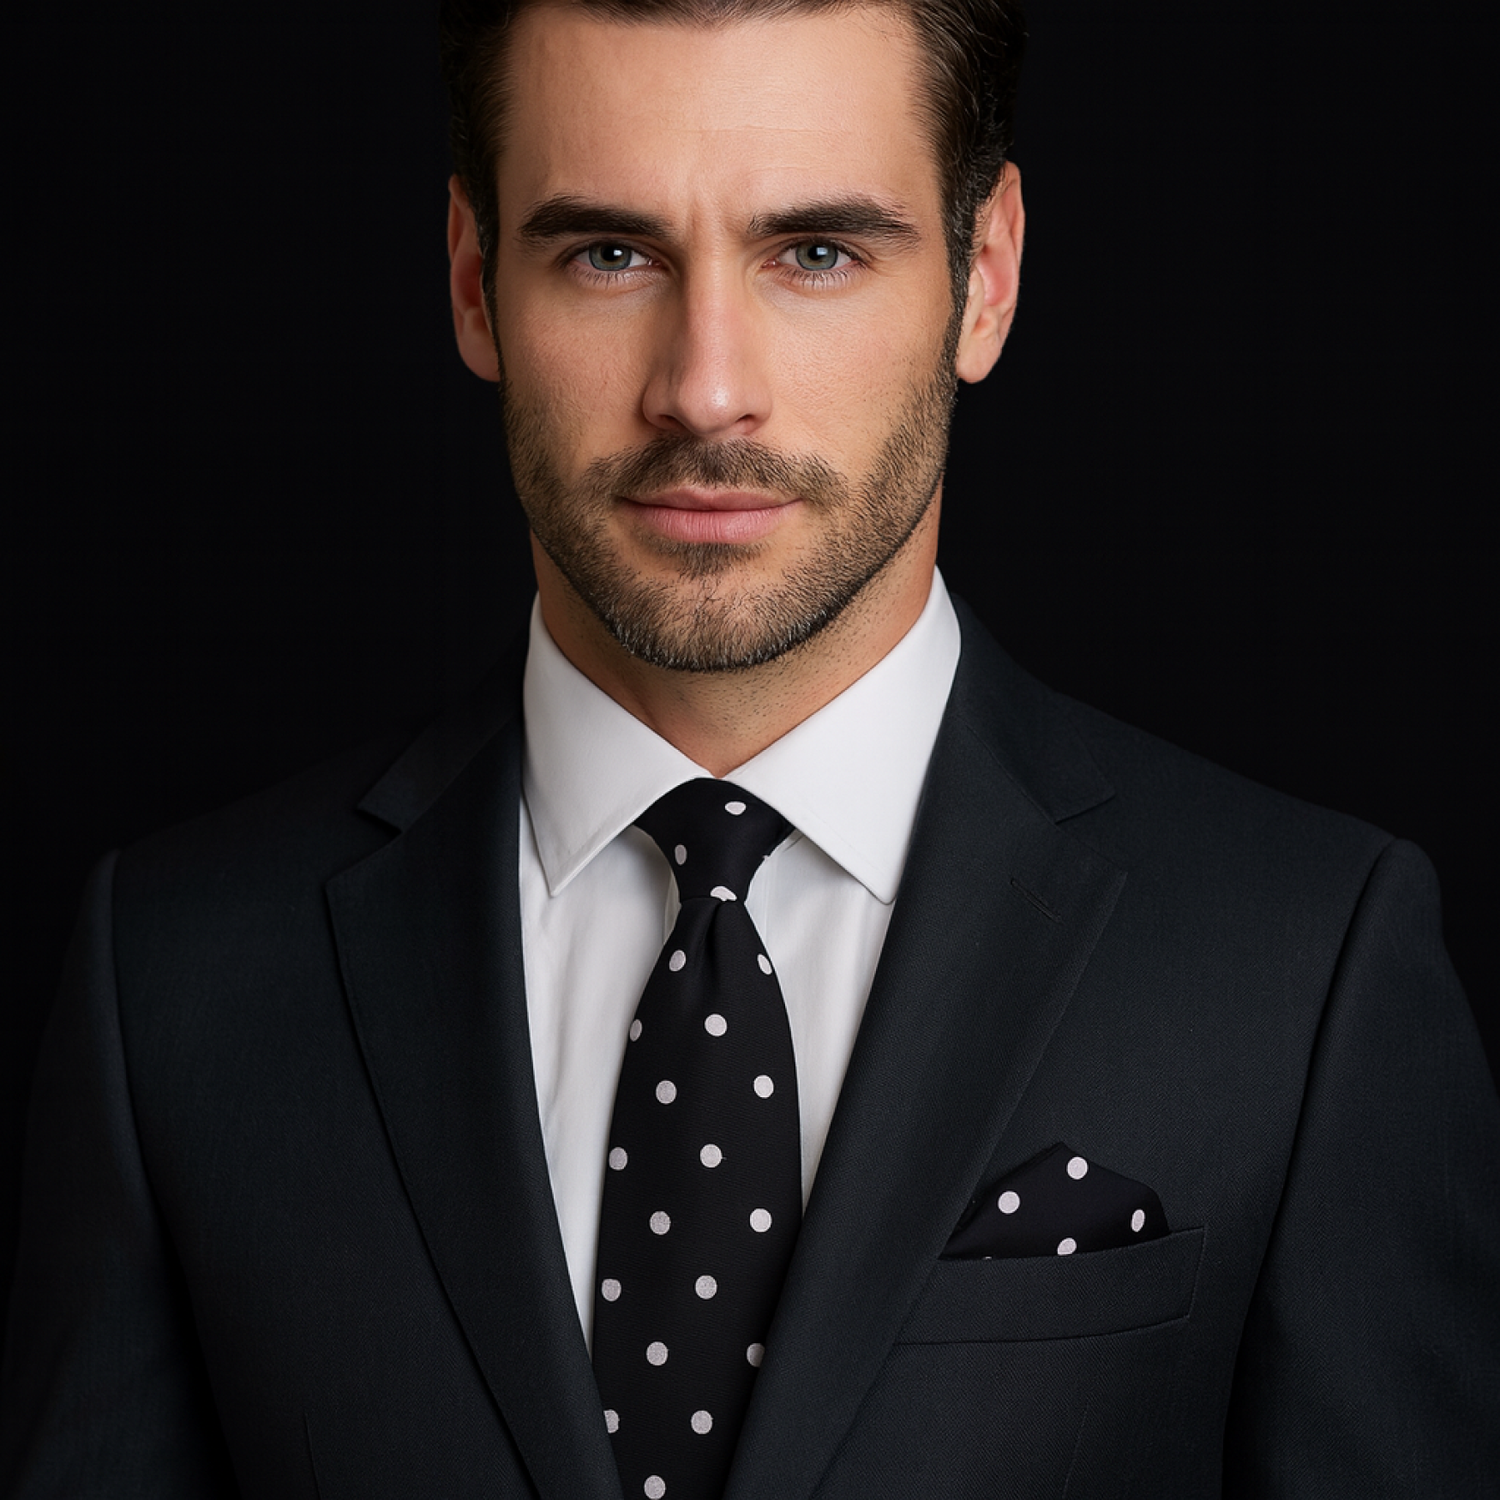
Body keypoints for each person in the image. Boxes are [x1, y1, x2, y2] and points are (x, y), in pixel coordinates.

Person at [3, 0, 1497, 1495]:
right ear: (472, 280)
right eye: (610, 254)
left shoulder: (1305, 970)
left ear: (985, 276)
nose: (705, 388)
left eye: (818, 253)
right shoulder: (179, 982)